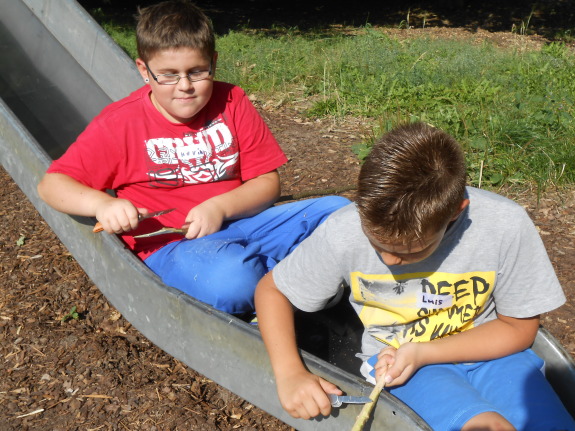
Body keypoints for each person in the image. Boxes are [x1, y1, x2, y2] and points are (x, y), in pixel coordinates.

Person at [255, 122, 575, 430]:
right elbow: (273, 291)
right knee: (484, 426)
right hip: (398, 366)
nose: (389, 259)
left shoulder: (504, 225)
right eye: (375, 242)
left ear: (455, 212)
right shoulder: (344, 231)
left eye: (410, 251)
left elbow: (518, 328)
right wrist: (289, 374)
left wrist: (425, 351)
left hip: (493, 355)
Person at [37, 0, 348, 315]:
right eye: (168, 75)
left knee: (343, 214)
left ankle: (278, 281)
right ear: (144, 71)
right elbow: (52, 185)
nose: (184, 86)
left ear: (212, 63)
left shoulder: (233, 101)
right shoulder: (120, 123)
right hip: (176, 245)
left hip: (247, 224)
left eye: (197, 72)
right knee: (232, 281)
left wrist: (219, 207)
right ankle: (290, 283)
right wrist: (103, 205)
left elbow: (267, 183)